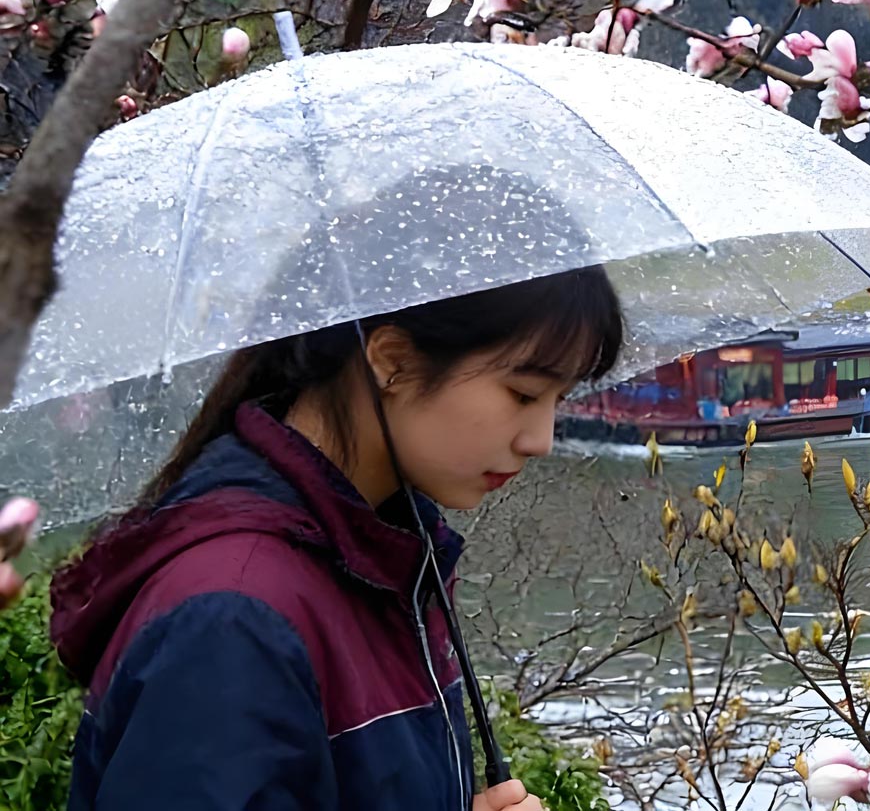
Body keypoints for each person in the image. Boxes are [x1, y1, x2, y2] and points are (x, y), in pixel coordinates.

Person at [50, 264, 625, 811]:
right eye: (524, 394)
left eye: (560, 399)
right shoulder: (234, 618)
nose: (541, 439)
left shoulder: (386, 562)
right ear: (393, 361)